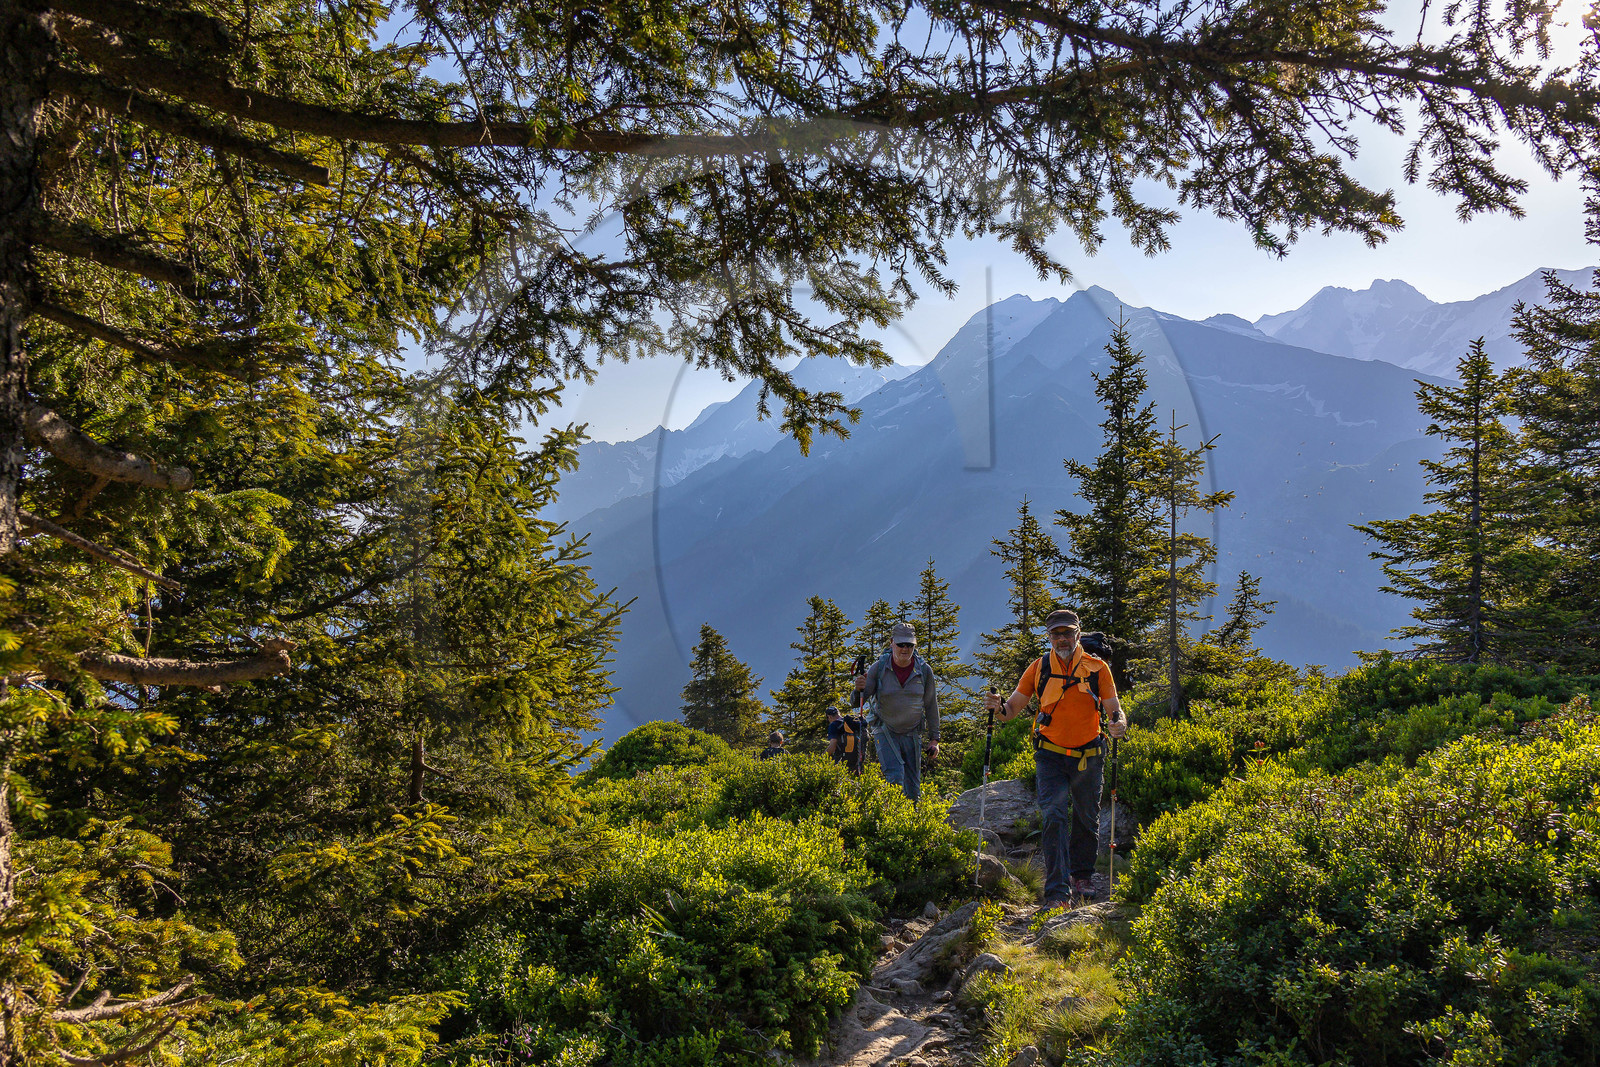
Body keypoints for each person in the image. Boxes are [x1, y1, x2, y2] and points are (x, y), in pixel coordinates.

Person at [985, 609, 1126, 906]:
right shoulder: (1038, 668)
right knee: (1054, 817)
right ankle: (1057, 892)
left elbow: (1114, 707)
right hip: (1050, 754)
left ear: (1078, 633)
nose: (1062, 638)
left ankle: (1083, 875)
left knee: (1086, 818)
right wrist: (998, 707)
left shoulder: (1097, 668)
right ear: (1049, 636)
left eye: (1067, 632)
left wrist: (1118, 723)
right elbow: (1010, 712)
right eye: (1056, 634)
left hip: (1089, 755)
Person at [854, 622, 938, 801]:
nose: (905, 648)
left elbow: (931, 705)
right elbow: (856, 701)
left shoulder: (924, 670)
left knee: (914, 787)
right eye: (901, 644)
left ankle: (912, 823)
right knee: (895, 777)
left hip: (912, 732)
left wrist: (934, 739)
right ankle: (893, 822)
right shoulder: (879, 668)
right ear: (892, 642)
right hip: (884, 730)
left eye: (910, 644)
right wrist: (857, 689)